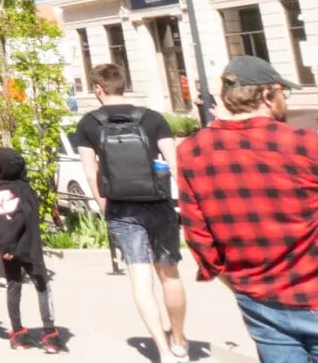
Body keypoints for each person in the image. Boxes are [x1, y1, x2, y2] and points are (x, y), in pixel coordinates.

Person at [178, 56, 318, 361]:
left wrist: (242, 285)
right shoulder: (305, 144)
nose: (284, 101)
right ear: (267, 95)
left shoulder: (192, 150)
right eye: (283, 93)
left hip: (259, 300)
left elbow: (199, 237)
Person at [76, 61, 188, 362]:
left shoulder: (89, 123)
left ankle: (163, 351)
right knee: (170, 275)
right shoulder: (153, 119)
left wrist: (102, 202)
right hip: (158, 202)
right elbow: (175, 164)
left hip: (122, 207)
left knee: (140, 280)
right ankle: (178, 340)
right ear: (123, 84)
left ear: (98, 89)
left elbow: (89, 171)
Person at [0, 147, 57, 352]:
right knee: (42, 284)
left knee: (13, 286)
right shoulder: (24, 189)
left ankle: (18, 333)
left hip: (5, 247)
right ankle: (50, 334)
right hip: (28, 246)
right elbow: (26, 216)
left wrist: (4, 246)